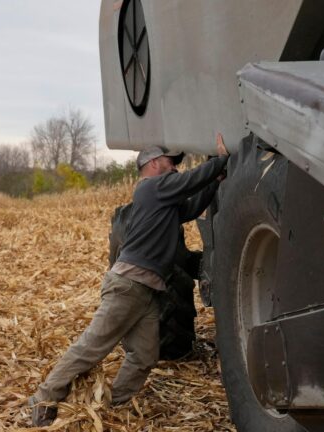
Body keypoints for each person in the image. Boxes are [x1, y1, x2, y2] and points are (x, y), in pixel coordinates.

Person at [29, 134, 229, 427]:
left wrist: (216, 180)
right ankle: (43, 399)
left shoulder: (164, 203)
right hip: (128, 287)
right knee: (91, 347)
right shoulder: (150, 189)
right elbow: (188, 183)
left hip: (147, 292)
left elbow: (192, 207)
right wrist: (220, 160)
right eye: (170, 163)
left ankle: (113, 405)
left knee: (145, 356)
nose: (174, 168)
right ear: (153, 163)